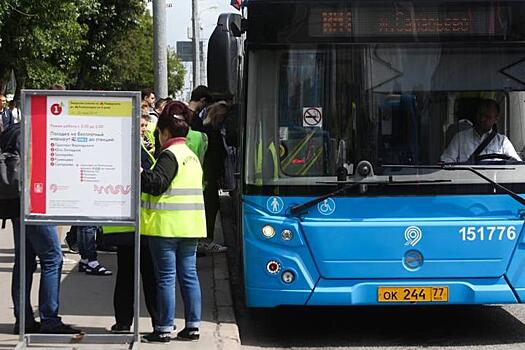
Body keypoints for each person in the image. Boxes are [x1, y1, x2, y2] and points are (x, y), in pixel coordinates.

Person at [0, 123, 81, 334]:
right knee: (53, 258)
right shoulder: (37, 130)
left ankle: (24, 319)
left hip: (15, 204)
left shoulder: (13, 129)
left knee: (24, 262)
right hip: (35, 203)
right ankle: (49, 319)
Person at [141, 101, 206, 343]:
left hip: (166, 227)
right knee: (189, 275)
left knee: (166, 277)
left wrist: (140, 174)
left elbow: (157, 184)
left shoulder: (169, 155)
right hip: (190, 226)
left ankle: (164, 328)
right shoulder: (191, 155)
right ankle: (193, 326)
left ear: (165, 132)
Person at [102, 114, 157, 333]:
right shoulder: (139, 152)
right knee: (150, 277)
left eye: (146, 125)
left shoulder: (117, 149)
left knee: (126, 276)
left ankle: (123, 323)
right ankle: (158, 323)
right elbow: (149, 182)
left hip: (123, 223)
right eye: (141, 125)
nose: (144, 129)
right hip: (141, 223)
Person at [441, 99, 521, 163]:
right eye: (480, 115)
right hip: (466, 181)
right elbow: (446, 162)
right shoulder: (460, 138)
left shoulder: (502, 142)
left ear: (496, 119)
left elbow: (516, 165)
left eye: (487, 117)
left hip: (495, 182)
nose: (482, 119)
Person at [201, 101, 230, 253]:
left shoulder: (209, 129)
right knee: (210, 207)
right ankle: (206, 240)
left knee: (211, 207)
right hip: (208, 175)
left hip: (210, 174)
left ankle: (206, 239)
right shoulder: (210, 131)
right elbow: (213, 156)